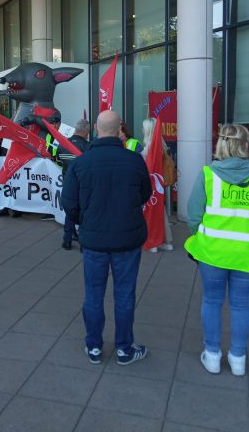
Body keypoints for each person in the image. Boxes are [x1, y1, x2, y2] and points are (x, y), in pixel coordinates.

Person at [62, 110, 152, 366]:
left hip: (94, 242)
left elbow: (68, 203)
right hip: (128, 240)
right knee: (124, 295)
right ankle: (124, 349)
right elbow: (145, 195)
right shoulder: (134, 160)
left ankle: (94, 347)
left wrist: (85, 222)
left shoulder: (81, 163)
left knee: (93, 294)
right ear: (118, 129)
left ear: (96, 130)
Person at [184, 124, 249, 376]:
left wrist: (203, 237)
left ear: (221, 144)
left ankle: (212, 355)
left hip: (213, 252)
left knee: (212, 301)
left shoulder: (208, 175)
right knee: (241, 305)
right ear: (246, 145)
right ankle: (238, 358)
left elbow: (193, 216)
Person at [141, 118, 174, 252]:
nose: (142, 130)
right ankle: (163, 240)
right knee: (160, 211)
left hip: (151, 182)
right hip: (158, 183)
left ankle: (153, 241)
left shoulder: (151, 146)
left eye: (144, 128)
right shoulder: (161, 144)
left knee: (151, 211)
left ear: (148, 130)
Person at [59, 118, 90, 249]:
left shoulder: (63, 144)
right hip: (82, 184)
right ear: (86, 131)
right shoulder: (88, 146)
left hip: (67, 182)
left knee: (70, 211)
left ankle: (67, 240)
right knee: (84, 211)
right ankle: (83, 243)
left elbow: (58, 159)